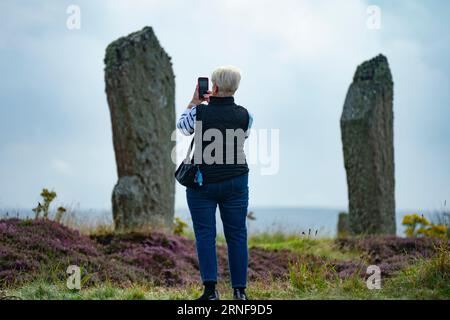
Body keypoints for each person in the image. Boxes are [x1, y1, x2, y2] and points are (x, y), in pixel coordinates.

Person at [176, 66, 253, 300]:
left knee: (205, 235)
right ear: (235, 88)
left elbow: (182, 127)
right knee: (237, 235)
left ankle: (210, 292)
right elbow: (244, 135)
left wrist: (193, 101)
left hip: (203, 184)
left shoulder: (198, 113)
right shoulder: (246, 115)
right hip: (236, 181)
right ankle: (239, 292)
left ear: (214, 87)